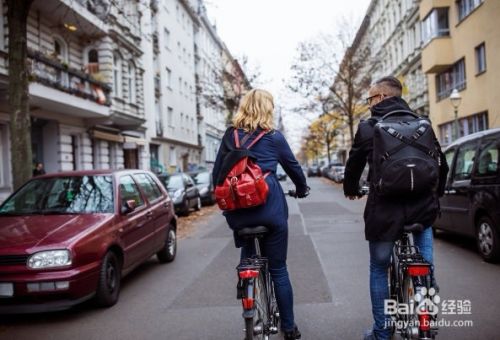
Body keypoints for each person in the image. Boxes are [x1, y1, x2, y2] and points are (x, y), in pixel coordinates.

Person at [343, 76, 449, 340]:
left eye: (370, 99)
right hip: (422, 208)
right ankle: (427, 302)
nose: (368, 105)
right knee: (425, 263)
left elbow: (354, 164)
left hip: (385, 212)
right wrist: (437, 194)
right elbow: (442, 164)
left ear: (380, 97)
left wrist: (351, 189)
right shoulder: (422, 123)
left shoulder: (369, 126)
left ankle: (382, 331)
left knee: (379, 267)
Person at [212, 89, 309, 340]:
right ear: (268, 109)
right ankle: (289, 329)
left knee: (248, 259)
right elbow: (293, 168)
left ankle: (248, 289)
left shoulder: (229, 136)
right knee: (278, 269)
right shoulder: (274, 137)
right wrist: (302, 188)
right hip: (270, 211)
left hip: (239, 214)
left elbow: (217, 174)